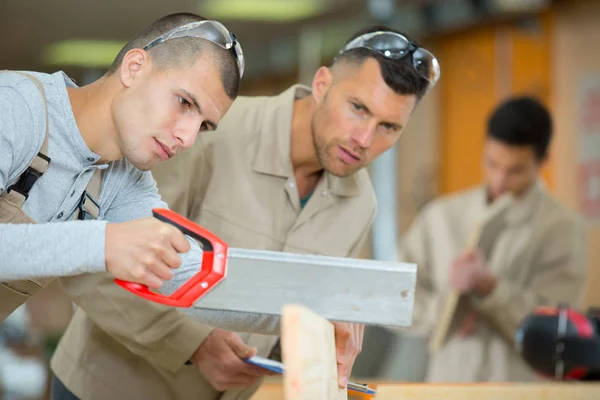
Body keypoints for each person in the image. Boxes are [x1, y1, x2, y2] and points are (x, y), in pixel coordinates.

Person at [50, 25, 440, 400]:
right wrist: (194, 345)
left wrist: (327, 333)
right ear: (322, 85)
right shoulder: (202, 132)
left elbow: (295, 313)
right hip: (109, 389)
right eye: (357, 108)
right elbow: (94, 267)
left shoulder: (360, 204)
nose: (364, 139)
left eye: (389, 126)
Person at [0, 12, 243, 320]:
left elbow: (191, 275)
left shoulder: (124, 179)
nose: (188, 137)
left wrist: (306, 304)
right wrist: (103, 243)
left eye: (204, 125)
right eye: (184, 102)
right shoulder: (13, 107)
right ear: (134, 68)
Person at [404, 96, 588, 382]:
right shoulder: (440, 217)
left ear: (543, 161)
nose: (499, 180)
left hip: (521, 389)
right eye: (491, 163)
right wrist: (442, 315)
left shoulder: (564, 229)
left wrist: (493, 290)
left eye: (515, 170)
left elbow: (558, 331)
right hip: (448, 387)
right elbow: (394, 298)